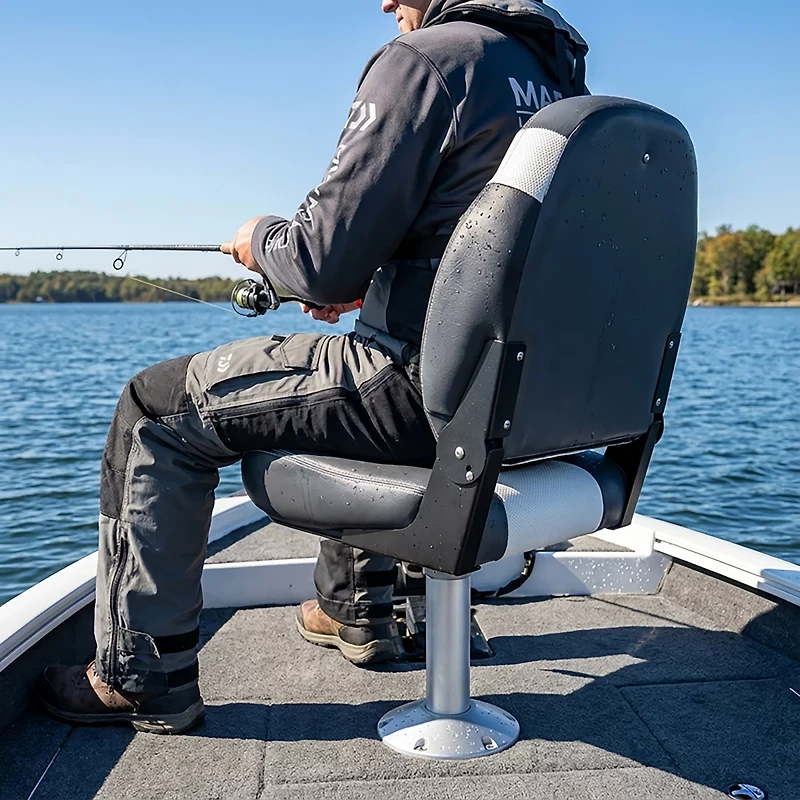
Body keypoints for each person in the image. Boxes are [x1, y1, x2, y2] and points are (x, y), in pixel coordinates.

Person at [37, 0, 587, 734]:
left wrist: (262, 239)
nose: (385, 4)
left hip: (425, 390)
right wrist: (368, 280)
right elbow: (476, 248)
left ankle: (141, 675)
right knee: (334, 375)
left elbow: (317, 260)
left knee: (154, 409)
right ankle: (355, 608)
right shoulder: (561, 86)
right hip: (530, 402)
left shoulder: (429, 61)